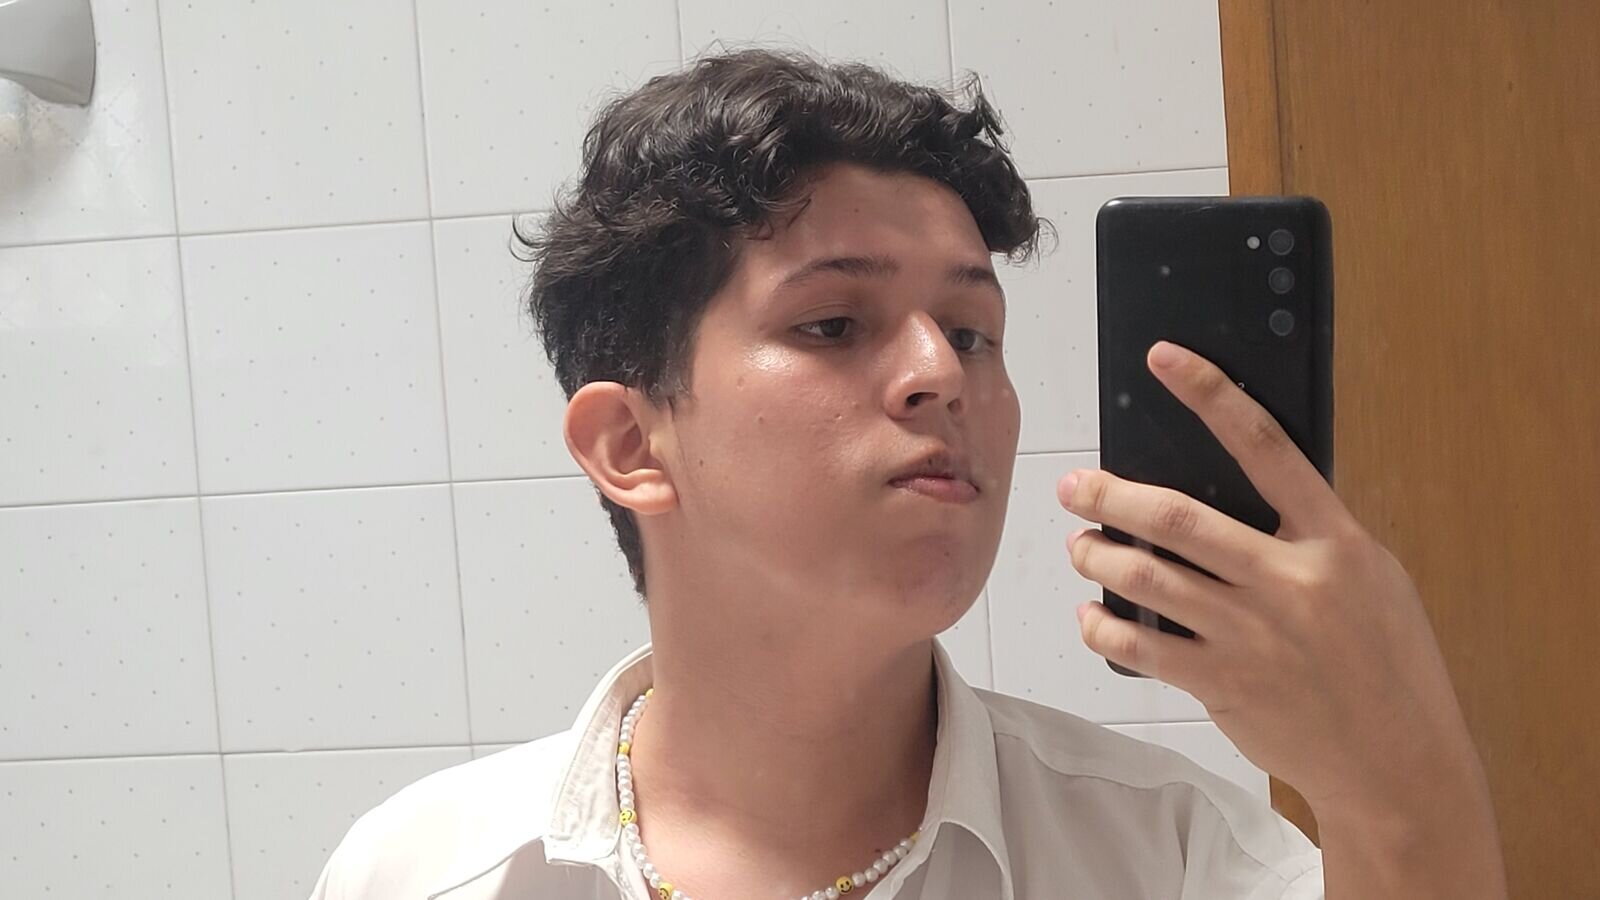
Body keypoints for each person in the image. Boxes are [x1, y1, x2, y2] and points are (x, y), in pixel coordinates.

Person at [308, 47, 1505, 899]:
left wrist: (1398, 787)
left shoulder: (1179, 862)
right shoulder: (423, 874)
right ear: (630, 445)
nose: (940, 373)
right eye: (833, 324)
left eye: (972, 331)